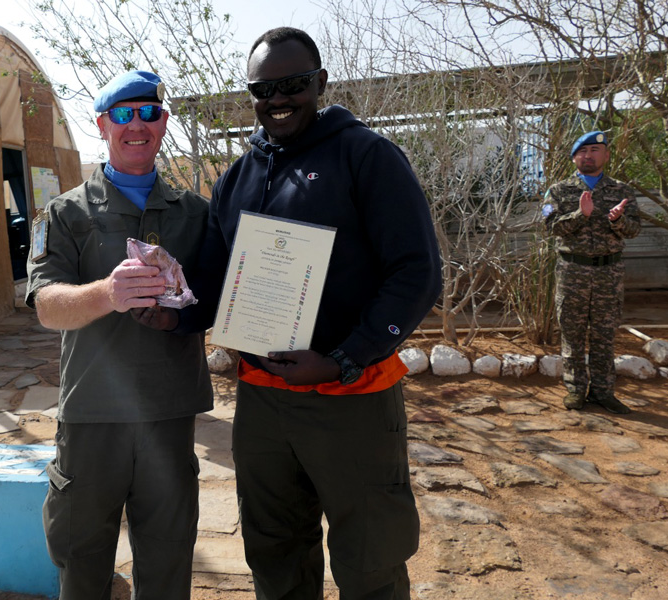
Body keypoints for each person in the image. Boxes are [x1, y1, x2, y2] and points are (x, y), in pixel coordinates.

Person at [181, 27, 441, 600]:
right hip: (263, 404)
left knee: (369, 560)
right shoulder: (238, 177)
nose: (278, 99)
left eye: (293, 84)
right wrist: (172, 311)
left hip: (352, 399)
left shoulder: (366, 156)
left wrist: (343, 359)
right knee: (275, 553)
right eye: (263, 88)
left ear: (320, 83)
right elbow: (214, 277)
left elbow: (417, 273)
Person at [25, 70, 212, 600]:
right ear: (103, 125)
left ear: (164, 123)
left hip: (168, 414)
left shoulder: (195, 215)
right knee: (82, 563)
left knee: (168, 561)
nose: (137, 125)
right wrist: (107, 293)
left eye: (149, 114)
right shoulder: (62, 213)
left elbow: (226, 295)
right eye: (124, 115)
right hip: (93, 418)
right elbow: (46, 306)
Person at [543, 130, 641, 414]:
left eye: (595, 150)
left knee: (604, 335)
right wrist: (579, 215)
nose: (588, 155)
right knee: (572, 334)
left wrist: (618, 221)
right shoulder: (558, 191)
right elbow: (550, 227)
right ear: (574, 157)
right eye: (582, 151)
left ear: (606, 155)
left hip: (609, 274)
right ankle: (575, 391)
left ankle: (603, 393)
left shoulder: (622, 191)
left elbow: (635, 230)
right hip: (573, 271)